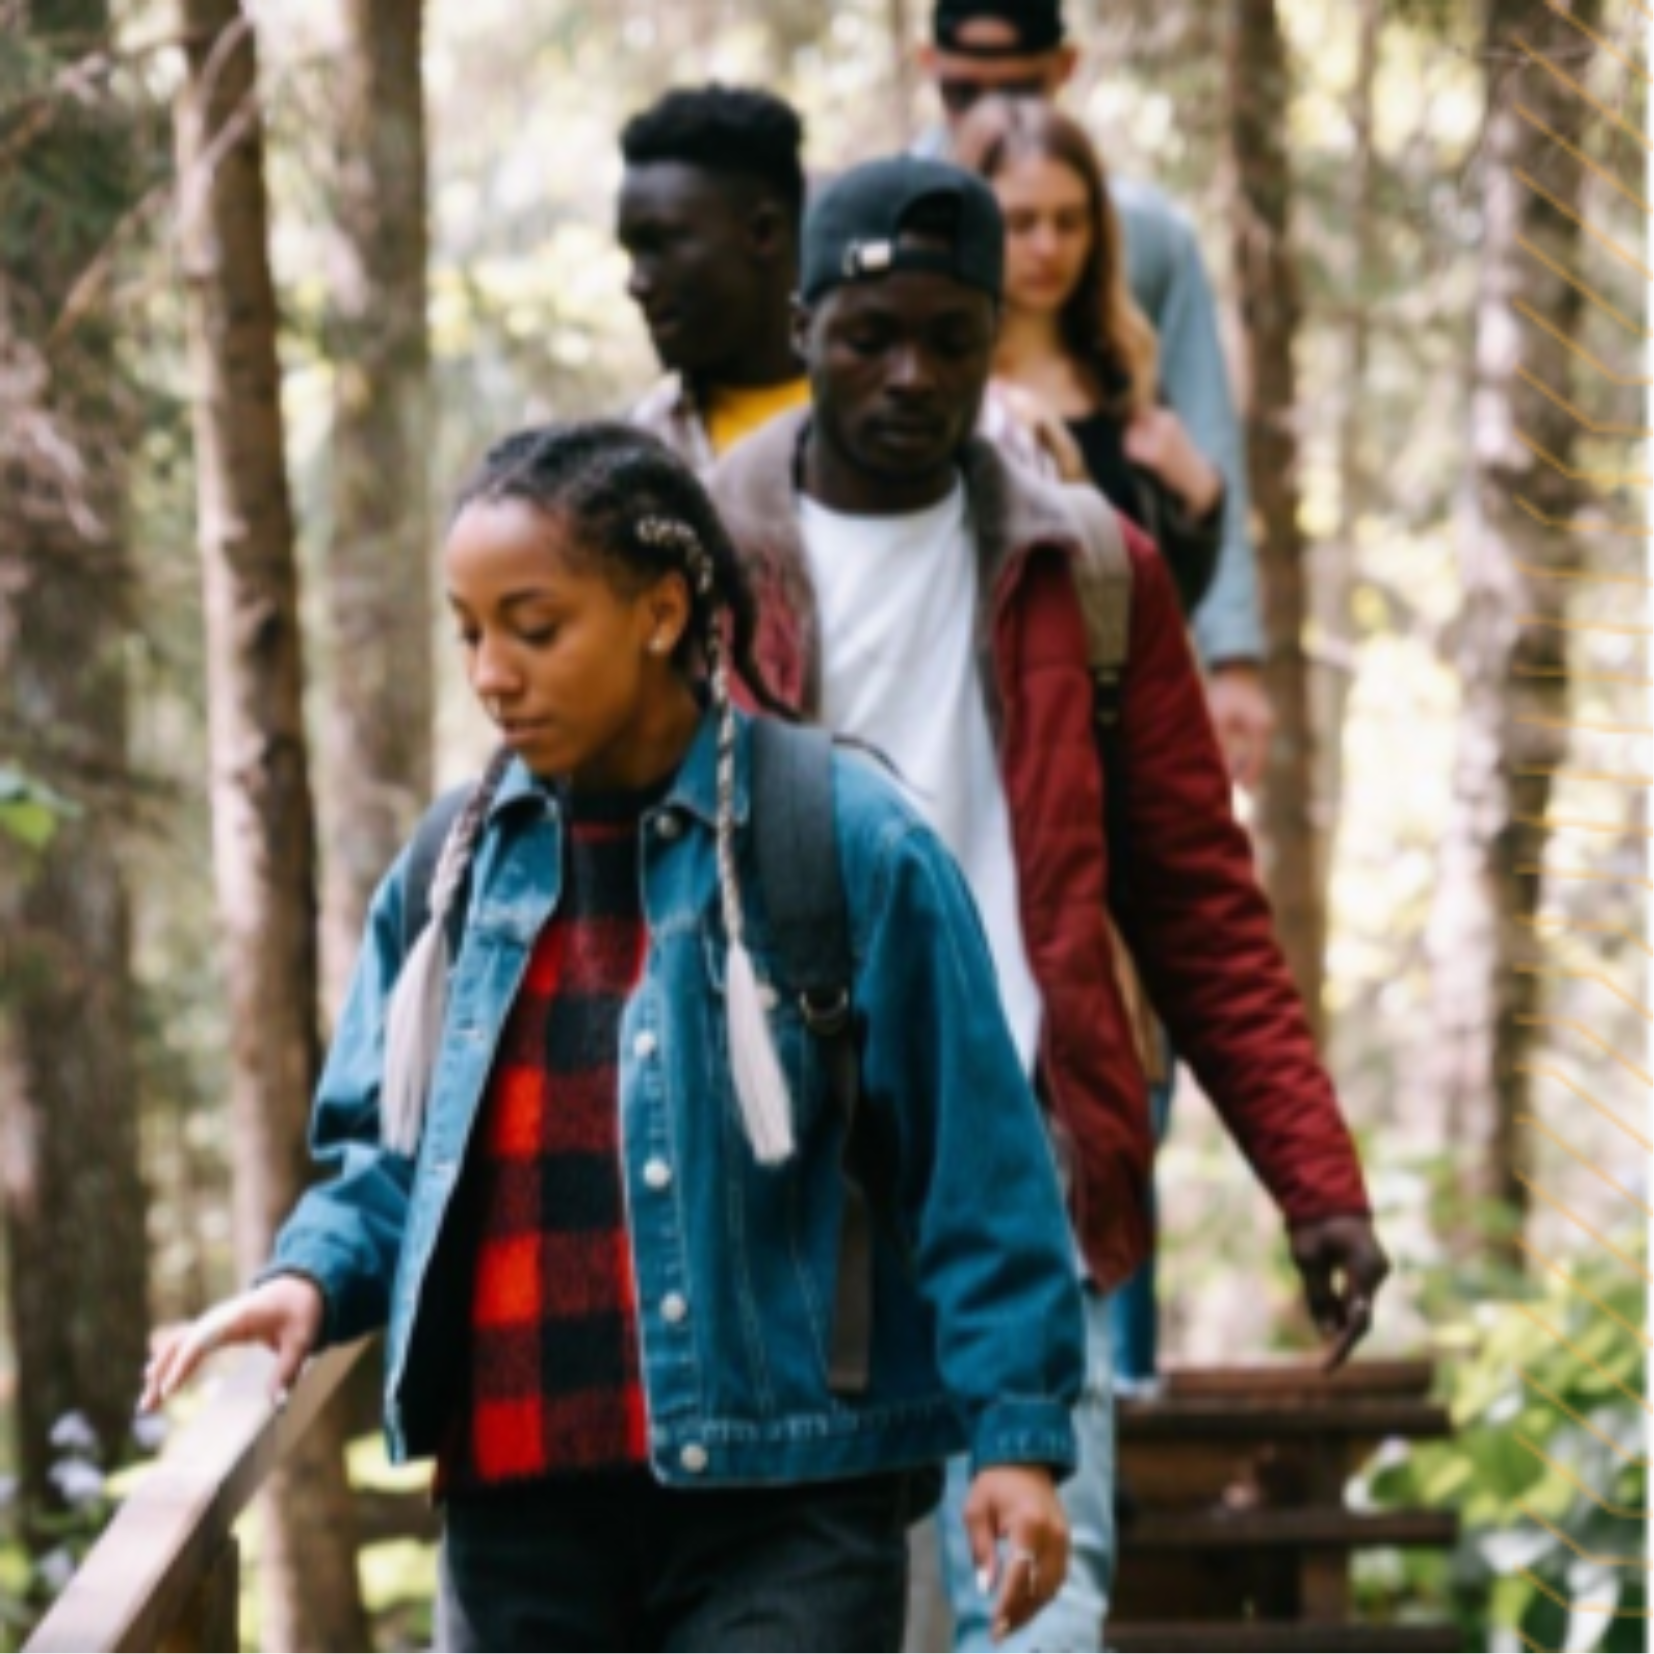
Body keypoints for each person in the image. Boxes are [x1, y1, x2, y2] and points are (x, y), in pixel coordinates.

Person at [138, 423, 1088, 1653]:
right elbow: (388, 1160)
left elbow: (979, 1171)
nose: (492, 672)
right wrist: (303, 1277)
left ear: (658, 610)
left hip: (786, 1511)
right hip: (515, 1512)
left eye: (533, 628)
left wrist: (1019, 1437)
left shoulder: (845, 844)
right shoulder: (452, 874)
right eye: (469, 631)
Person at [708, 156, 1389, 1654]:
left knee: (1034, 1614)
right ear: (801, 321)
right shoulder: (694, 561)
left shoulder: (1086, 565)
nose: (910, 375)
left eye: (951, 338)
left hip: (1029, 1172)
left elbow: (1198, 902)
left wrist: (1312, 1174)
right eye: (866, 334)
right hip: (772, 1191)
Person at [912, 0, 1275, 792]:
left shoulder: (1144, 261)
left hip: (1112, 733)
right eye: (964, 91)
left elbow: (1184, 495)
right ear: (927, 69)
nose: (1047, 247)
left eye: (1069, 224)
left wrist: (1232, 656)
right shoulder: (892, 231)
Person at [960, 94, 1224, 620]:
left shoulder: (1122, 376)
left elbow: (1165, 609)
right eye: (1020, 222)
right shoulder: (942, 384)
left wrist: (1200, 498)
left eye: (1070, 222)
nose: (1047, 247)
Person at [620, 85, 811, 471]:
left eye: (660, 246)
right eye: (632, 252)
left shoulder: (907, 415)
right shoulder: (640, 460)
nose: (636, 284)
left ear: (763, 234)